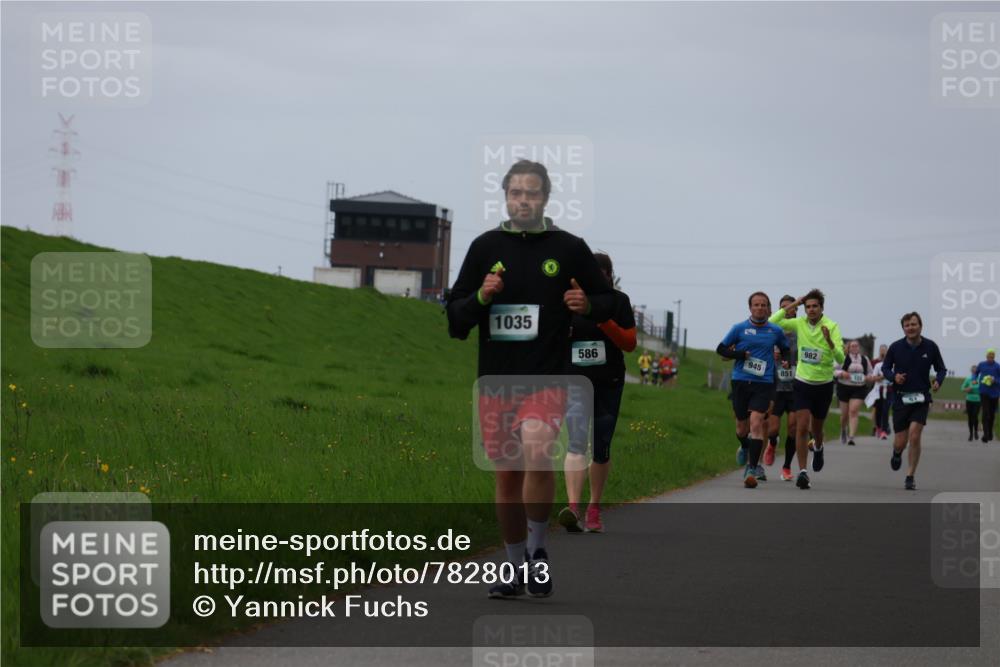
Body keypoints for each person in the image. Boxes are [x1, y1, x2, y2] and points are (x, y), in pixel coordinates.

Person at [446, 159, 615, 598]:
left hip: (548, 376)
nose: (523, 200)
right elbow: (456, 318)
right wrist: (482, 296)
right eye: (516, 192)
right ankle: (514, 565)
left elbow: (609, 301)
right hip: (498, 381)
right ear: (505, 197)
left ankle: (538, 554)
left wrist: (588, 304)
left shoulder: (569, 247)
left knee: (538, 449)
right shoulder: (485, 247)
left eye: (532, 193)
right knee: (507, 475)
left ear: (545, 197)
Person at [559, 253, 636, 534]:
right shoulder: (568, 302)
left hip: (609, 381)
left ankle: (594, 508)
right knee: (576, 442)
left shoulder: (618, 302)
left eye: (600, 273)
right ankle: (573, 508)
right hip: (575, 380)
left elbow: (629, 343)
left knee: (601, 446)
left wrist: (604, 321)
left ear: (608, 274)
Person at [769, 289, 844, 490]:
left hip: (824, 384)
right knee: (801, 427)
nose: (811, 310)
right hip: (802, 382)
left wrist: (828, 340)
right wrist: (795, 303)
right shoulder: (799, 323)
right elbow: (773, 321)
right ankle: (803, 471)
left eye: (814, 306)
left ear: (821, 308)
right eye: (808, 306)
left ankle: (818, 448)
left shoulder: (832, 326)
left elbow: (841, 359)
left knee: (817, 428)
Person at [717, 292, 790, 488]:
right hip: (740, 381)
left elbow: (785, 347)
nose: (760, 308)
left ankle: (751, 468)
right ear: (750, 308)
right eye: (756, 305)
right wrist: (740, 354)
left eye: (763, 305)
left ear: (768, 308)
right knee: (742, 428)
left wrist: (784, 359)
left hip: (763, 383)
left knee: (756, 422)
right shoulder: (739, 328)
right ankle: (744, 445)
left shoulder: (774, 330)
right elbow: (721, 349)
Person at [881, 312, 947, 490]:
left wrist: (938, 381)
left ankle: (910, 475)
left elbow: (941, 369)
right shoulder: (895, 347)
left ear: (920, 326)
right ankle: (897, 452)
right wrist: (894, 377)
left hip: (921, 397)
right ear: (903, 328)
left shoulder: (930, 347)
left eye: (913, 324)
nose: (910, 328)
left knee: (915, 436)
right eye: (907, 325)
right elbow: (885, 368)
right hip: (901, 397)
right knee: (900, 441)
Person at [768, 296, 799, 481]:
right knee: (772, 430)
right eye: (783, 308)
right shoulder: (771, 331)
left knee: (793, 428)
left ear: (795, 311)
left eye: (791, 307)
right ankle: (772, 443)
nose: (787, 310)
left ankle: (787, 467)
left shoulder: (801, 332)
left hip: (795, 387)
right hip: (776, 387)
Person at [835, 340, 872, 446]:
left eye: (856, 346)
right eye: (852, 346)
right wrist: (842, 373)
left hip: (859, 388)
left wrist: (868, 376)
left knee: (853, 411)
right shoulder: (842, 357)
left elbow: (870, 372)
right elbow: (833, 370)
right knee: (844, 415)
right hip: (844, 387)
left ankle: (851, 437)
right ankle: (843, 430)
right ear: (849, 348)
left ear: (859, 347)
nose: (855, 347)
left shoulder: (865, 359)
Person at [976, 348, 1000, 443]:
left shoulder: (997, 367)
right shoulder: (981, 365)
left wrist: (995, 381)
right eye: (989, 356)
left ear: (994, 357)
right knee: (985, 413)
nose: (990, 358)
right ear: (986, 356)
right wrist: (974, 379)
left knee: (991, 415)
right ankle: (985, 434)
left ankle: (990, 432)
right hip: (984, 392)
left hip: (994, 394)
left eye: (992, 356)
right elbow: (976, 373)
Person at [869, 344, 891, 440]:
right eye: (881, 350)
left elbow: (893, 376)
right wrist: (881, 377)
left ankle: (884, 431)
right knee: (878, 410)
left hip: (889, 390)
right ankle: (877, 427)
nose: (883, 352)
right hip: (878, 390)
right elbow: (873, 378)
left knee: (886, 410)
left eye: (884, 350)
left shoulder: (892, 364)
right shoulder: (876, 364)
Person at [961, 364, 981, 442]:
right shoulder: (968, 379)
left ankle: (976, 431)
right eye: (973, 370)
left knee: (975, 415)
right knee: (970, 417)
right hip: (969, 400)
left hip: (978, 400)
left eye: (975, 371)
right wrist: (967, 389)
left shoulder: (980, 379)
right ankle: (971, 434)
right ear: (971, 371)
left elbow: (983, 388)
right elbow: (962, 388)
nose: (974, 372)